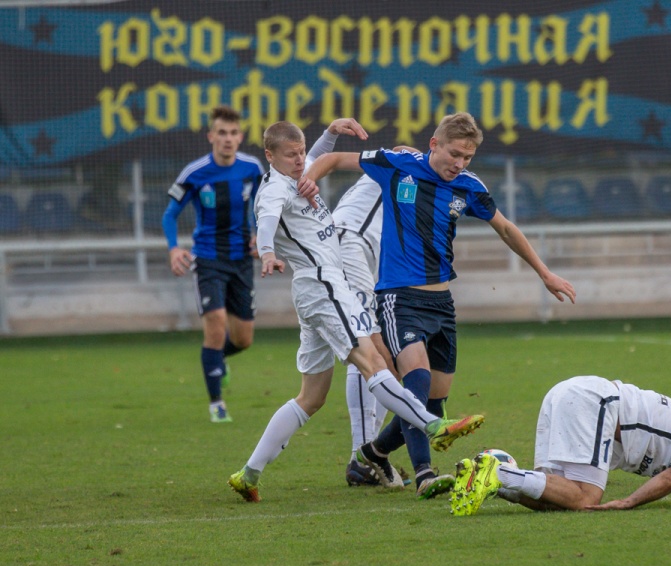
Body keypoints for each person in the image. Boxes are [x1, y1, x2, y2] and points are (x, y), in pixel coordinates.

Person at [299, 113, 576, 499]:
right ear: (434, 144)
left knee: (435, 405)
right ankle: (425, 474)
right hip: (398, 297)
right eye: (454, 154)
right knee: (417, 381)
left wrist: (544, 273)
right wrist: (310, 181)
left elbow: (506, 228)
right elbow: (334, 159)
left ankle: (374, 452)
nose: (459, 163)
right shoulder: (399, 166)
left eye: (467, 157)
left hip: (442, 303)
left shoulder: (469, 186)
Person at [227, 121, 484, 503]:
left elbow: (317, 157)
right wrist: (266, 252)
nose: (300, 160)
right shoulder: (275, 189)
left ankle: (247, 474)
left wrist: (330, 133)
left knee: (311, 397)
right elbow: (266, 219)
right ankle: (431, 425)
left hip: (314, 289)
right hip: (324, 284)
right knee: (373, 360)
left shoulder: (296, 172)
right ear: (270, 156)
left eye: (301, 153)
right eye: (292, 155)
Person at [450, 375, 671, 516]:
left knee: (556, 500)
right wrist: (628, 502)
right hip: (596, 402)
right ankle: (500, 472)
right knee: (586, 499)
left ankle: (492, 479)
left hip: (570, 395)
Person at [163, 105, 264, 423]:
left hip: (241, 261)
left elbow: (264, 207)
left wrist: (261, 236)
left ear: (240, 137)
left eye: (233, 133)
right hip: (208, 259)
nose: (228, 139)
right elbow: (170, 215)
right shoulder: (194, 172)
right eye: (222, 133)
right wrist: (173, 249)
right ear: (211, 137)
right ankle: (217, 404)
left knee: (243, 339)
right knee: (216, 323)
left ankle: (216, 360)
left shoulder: (252, 168)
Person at [330, 174, 395, 487]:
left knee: (386, 352)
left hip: (364, 253)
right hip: (349, 244)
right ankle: (362, 456)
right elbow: (327, 161)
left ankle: (370, 454)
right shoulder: (402, 161)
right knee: (365, 345)